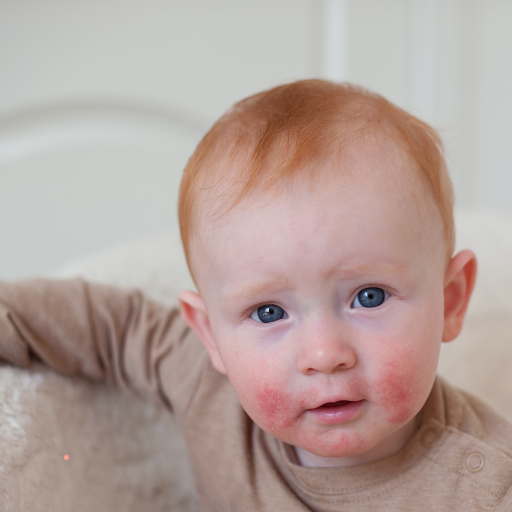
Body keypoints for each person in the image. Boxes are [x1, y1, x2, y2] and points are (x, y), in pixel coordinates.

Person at [1, 80, 511, 511]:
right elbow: (109, 325)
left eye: (370, 297)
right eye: (269, 312)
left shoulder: (485, 487)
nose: (324, 354)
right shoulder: (209, 388)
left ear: (451, 300)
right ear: (210, 335)